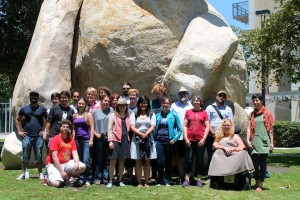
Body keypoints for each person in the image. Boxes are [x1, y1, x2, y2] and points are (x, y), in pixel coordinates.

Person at [16, 90, 47, 180]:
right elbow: (17, 119)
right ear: (30, 97)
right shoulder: (24, 109)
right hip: (27, 136)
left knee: (39, 155)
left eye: (35, 96)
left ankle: (40, 173)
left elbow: (48, 120)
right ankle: (23, 173)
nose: (34, 97)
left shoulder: (42, 109)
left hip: (38, 136)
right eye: (32, 95)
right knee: (25, 155)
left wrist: (44, 130)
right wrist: (19, 131)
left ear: (38, 97)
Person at [45, 119, 86, 187]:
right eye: (63, 126)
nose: (65, 128)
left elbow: (75, 153)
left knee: (82, 167)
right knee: (56, 184)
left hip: (66, 163)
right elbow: (54, 157)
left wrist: (77, 163)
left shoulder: (71, 140)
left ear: (69, 129)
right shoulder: (54, 139)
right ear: (60, 128)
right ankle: (47, 179)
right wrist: (61, 172)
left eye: (67, 127)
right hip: (53, 164)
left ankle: (66, 177)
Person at [247, 94, 274, 192]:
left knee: (262, 164)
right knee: (254, 164)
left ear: (261, 101)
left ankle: (261, 185)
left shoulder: (267, 113)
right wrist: (248, 140)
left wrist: (272, 142)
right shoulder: (251, 114)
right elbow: (249, 128)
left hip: (264, 141)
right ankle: (257, 182)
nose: (255, 102)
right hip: (254, 141)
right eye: (254, 101)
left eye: (257, 100)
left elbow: (270, 129)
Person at [154, 97, 182, 186]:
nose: (165, 105)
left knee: (168, 161)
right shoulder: (157, 115)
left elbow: (180, 129)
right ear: (162, 104)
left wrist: (174, 139)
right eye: (164, 103)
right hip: (159, 141)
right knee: (159, 161)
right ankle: (159, 179)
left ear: (169, 104)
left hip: (169, 141)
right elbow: (154, 128)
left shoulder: (174, 115)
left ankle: (167, 180)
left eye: (167, 103)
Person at [182, 96, 209, 187]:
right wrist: (185, 138)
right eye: (194, 101)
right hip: (189, 140)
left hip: (200, 140)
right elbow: (185, 125)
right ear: (192, 102)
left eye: (198, 101)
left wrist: (204, 139)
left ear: (200, 102)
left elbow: (207, 126)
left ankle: (199, 180)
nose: (196, 102)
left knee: (199, 160)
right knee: (188, 160)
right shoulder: (188, 112)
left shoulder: (204, 113)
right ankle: (187, 179)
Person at [130, 96, 157, 187]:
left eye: (145, 103)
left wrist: (145, 134)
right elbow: (132, 127)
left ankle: (146, 182)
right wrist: (141, 134)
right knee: (138, 161)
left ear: (148, 104)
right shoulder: (134, 114)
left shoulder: (152, 114)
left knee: (147, 161)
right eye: (141, 103)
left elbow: (153, 126)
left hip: (148, 140)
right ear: (138, 104)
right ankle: (139, 182)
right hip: (137, 140)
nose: (143, 105)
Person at [170, 86, 193, 183]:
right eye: (181, 93)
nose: (183, 95)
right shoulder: (174, 105)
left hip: (189, 135)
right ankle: (181, 176)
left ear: (188, 94)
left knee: (190, 157)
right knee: (180, 157)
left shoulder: (191, 105)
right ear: (178, 95)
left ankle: (190, 176)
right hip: (177, 136)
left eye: (185, 93)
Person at [205, 90, 233, 169]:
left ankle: (222, 172)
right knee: (211, 154)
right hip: (211, 135)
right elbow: (207, 122)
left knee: (223, 153)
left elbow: (230, 122)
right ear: (216, 96)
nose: (221, 97)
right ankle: (211, 175)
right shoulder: (209, 108)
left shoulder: (228, 109)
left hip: (223, 136)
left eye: (223, 96)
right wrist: (213, 133)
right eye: (220, 95)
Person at [107, 98, 131, 187]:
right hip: (115, 140)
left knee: (122, 161)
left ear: (126, 106)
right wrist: (110, 141)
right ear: (118, 106)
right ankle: (110, 180)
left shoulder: (128, 115)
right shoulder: (113, 115)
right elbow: (109, 128)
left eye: (124, 105)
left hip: (125, 140)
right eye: (120, 105)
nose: (122, 107)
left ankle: (120, 180)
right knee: (113, 161)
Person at [92, 95, 114, 184]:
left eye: (108, 101)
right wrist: (95, 133)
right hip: (98, 138)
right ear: (101, 101)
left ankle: (105, 178)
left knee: (107, 158)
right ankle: (98, 177)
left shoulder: (112, 111)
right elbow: (91, 125)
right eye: (105, 101)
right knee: (98, 158)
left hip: (108, 137)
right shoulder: (95, 112)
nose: (106, 102)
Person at [72, 97, 94, 186]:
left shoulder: (88, 115)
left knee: (86, 159)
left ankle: (88, 178)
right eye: (79, 103)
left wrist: (91, 139)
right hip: (77, 140)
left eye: (82, 103)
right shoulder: (74, 115)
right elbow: (74, 128)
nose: (81, 105)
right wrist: (73, 139)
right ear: (77, 104)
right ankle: (81, 178)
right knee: (79, 160)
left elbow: (92, 127)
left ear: (85, 105)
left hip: (86, 140)